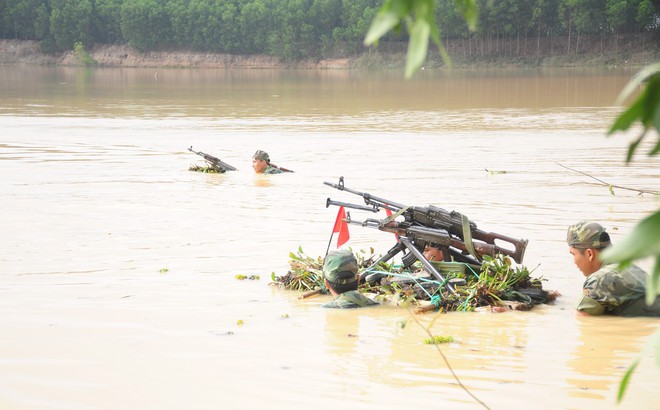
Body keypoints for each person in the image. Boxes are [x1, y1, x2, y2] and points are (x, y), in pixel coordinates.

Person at [567, 221, 660, 317]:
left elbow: (581, 320)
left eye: (573, 254)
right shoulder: (632, 268)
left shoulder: (600, 280)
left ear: (589, 254)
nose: (574, 261)